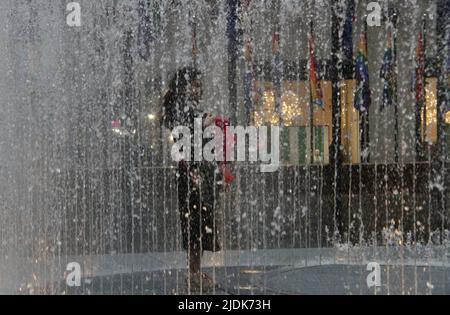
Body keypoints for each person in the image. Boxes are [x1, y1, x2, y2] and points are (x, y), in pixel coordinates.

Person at [161, 67, 221, 293]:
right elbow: (181, 141)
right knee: (194, 223)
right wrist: (202, 125)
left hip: (198, 172)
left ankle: (195, 270)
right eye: (194, 84)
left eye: (199, 83)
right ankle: (194, 273)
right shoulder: (180, 109)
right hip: (190, 174)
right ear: (184, 87)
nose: (198, 88)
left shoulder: (189, 109)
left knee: (201, 223)